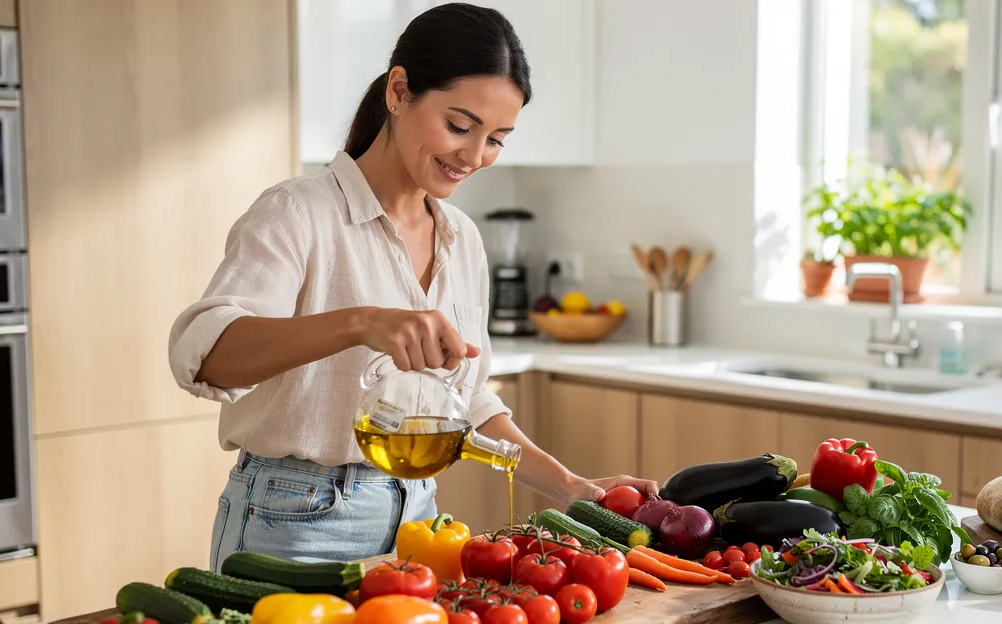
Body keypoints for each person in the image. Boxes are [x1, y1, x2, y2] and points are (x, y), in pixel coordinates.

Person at [169, 3, 656, 570]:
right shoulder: (298, 212)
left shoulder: (462, 239)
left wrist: (571, 487)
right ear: (398, 91)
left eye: (497, 138)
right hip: (293, 519)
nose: (474, 157)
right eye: (458, 126)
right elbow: (208, 359)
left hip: (420, 522)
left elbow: (466, 399)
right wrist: (363, 321)